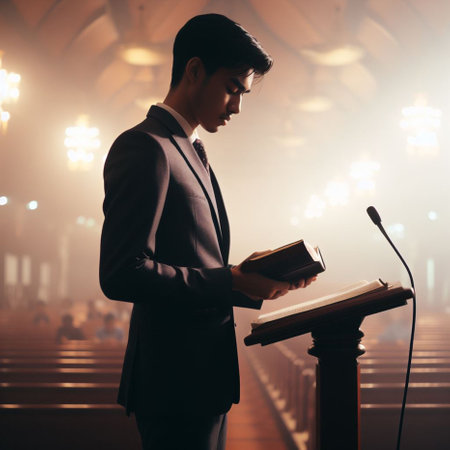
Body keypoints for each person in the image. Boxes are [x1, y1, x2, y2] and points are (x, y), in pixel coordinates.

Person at [99, 14, 316, 450]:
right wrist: (228, 279)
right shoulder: (146, 147)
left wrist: (252, 278)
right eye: (233, 87)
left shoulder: (189, 149)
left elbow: (193, 263)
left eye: (243, 93)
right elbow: (122, 272)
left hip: (201, 379)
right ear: (194, 70)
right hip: (173, 383)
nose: (237, 106)